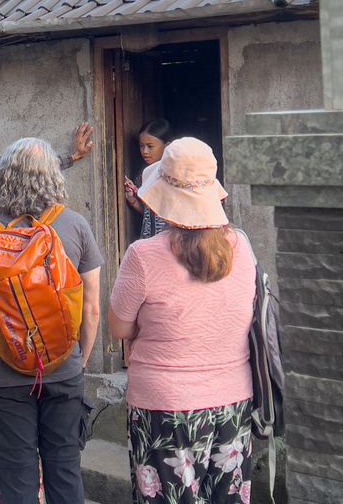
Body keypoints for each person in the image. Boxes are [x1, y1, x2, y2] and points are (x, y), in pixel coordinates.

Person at [108, 137, 256, 504]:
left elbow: (118, 328)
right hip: (233, 401)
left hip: (164, 407)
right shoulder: (242, 246)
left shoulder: (143, 255)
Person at [0, 138, 103, 504]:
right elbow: (92, 309)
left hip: (5, 373)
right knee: (65, 467)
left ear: (2, 177)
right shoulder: (75, 225)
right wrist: (76, 361)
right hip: (65, 369)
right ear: (54, 177)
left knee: (17, 475)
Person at [123, 119, 175, 239]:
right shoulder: (143, 175)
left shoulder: (176, 177)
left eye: (150, 146)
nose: (144, 151)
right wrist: (133, 200)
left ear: (167, 146)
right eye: (141, 146)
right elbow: (149, 215)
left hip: (171, 241)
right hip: (150, 241)